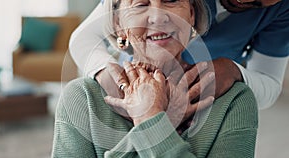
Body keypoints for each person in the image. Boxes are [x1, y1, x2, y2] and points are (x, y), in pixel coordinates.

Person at [52, 0, 258, 157]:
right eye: (141, 4)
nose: (158, 16)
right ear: (118, 23)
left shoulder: (235, 100)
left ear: (192, 15)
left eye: (171, 0)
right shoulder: (81, 97)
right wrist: (158, 121)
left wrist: (149, 119)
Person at [69, 0, 289, 109]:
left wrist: (233, 71)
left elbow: (269, 82)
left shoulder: (282, 10)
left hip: (210, 103)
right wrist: (113, 76)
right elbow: (84, 38)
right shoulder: (83, 99)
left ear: (193, 14)